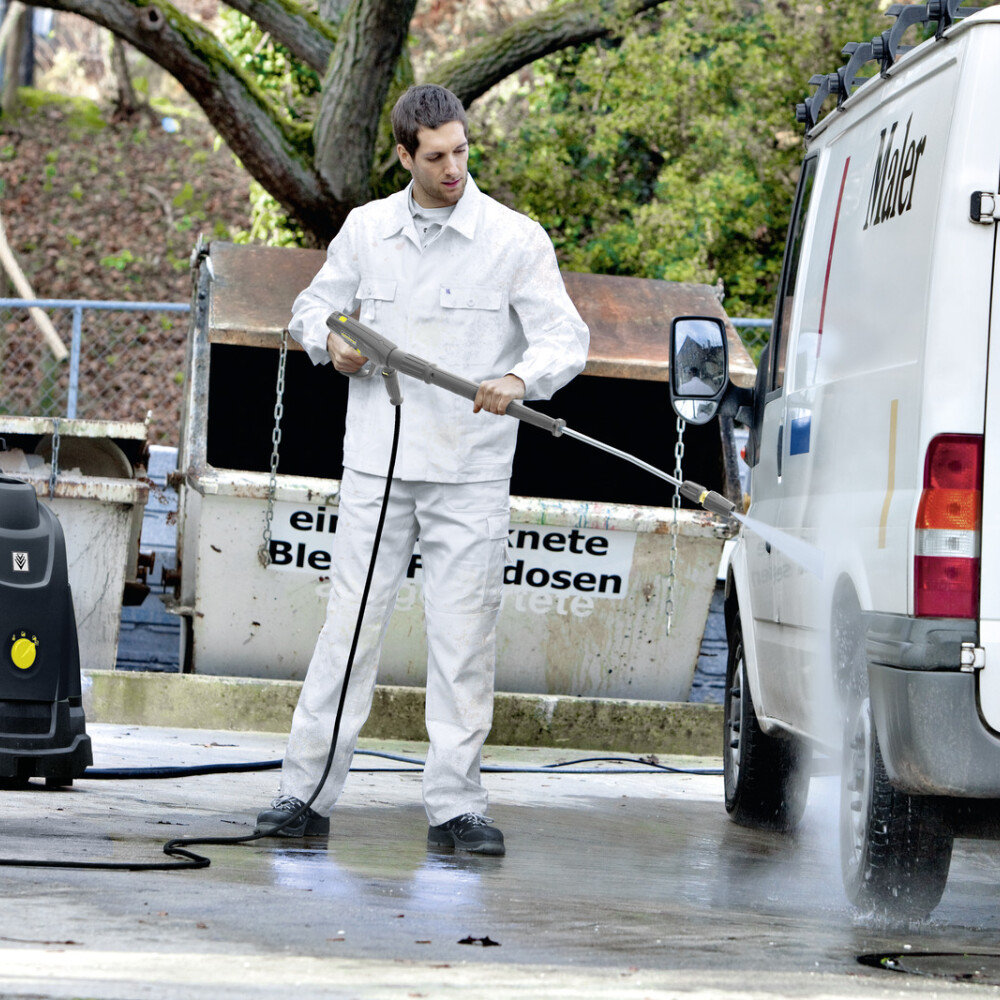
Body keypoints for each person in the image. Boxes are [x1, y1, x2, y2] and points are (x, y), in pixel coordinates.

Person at [255, 84, 589, 855]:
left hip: (470, 472)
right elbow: (313, 308)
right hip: (378, 464)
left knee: (464, 637)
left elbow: (563, 338)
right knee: (348, 630)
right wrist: (330, 344)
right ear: (404, 154)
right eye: (435, 156)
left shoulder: (513, 238)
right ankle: (302, 793)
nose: (452, 169)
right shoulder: (368, 231)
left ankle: (456, 807)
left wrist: (519, 379)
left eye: (461, 152)